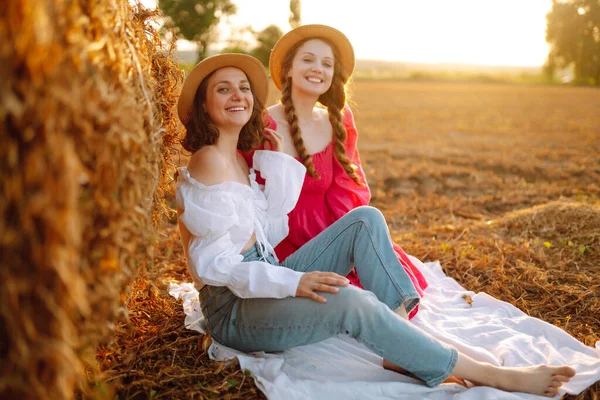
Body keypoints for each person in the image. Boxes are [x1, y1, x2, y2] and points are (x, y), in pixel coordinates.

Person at [174, 52, 575, 397]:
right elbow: (213, 268)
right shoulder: (208, 161)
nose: (238, 95)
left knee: (364, 220)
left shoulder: (240, 158)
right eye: (223, 89)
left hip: (262, 276)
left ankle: (399, 341)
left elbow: (271, 229)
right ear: (204, 105)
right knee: (350, 300)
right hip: (234, 310)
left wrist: (276, 161)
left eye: (243, 87)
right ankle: (492, 375)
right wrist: (293, 283)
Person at [242, 24, 427, 319]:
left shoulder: (336, 120)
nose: (318, 69)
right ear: (288, 69)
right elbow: (240, 196)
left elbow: (347, 192)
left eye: (327, 64)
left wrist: (350, 243)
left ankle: (399, 323)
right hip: (282, 243)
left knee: (371, 243)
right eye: (308, 59)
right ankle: (399, 329)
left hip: (329, 232)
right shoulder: (260, 124)